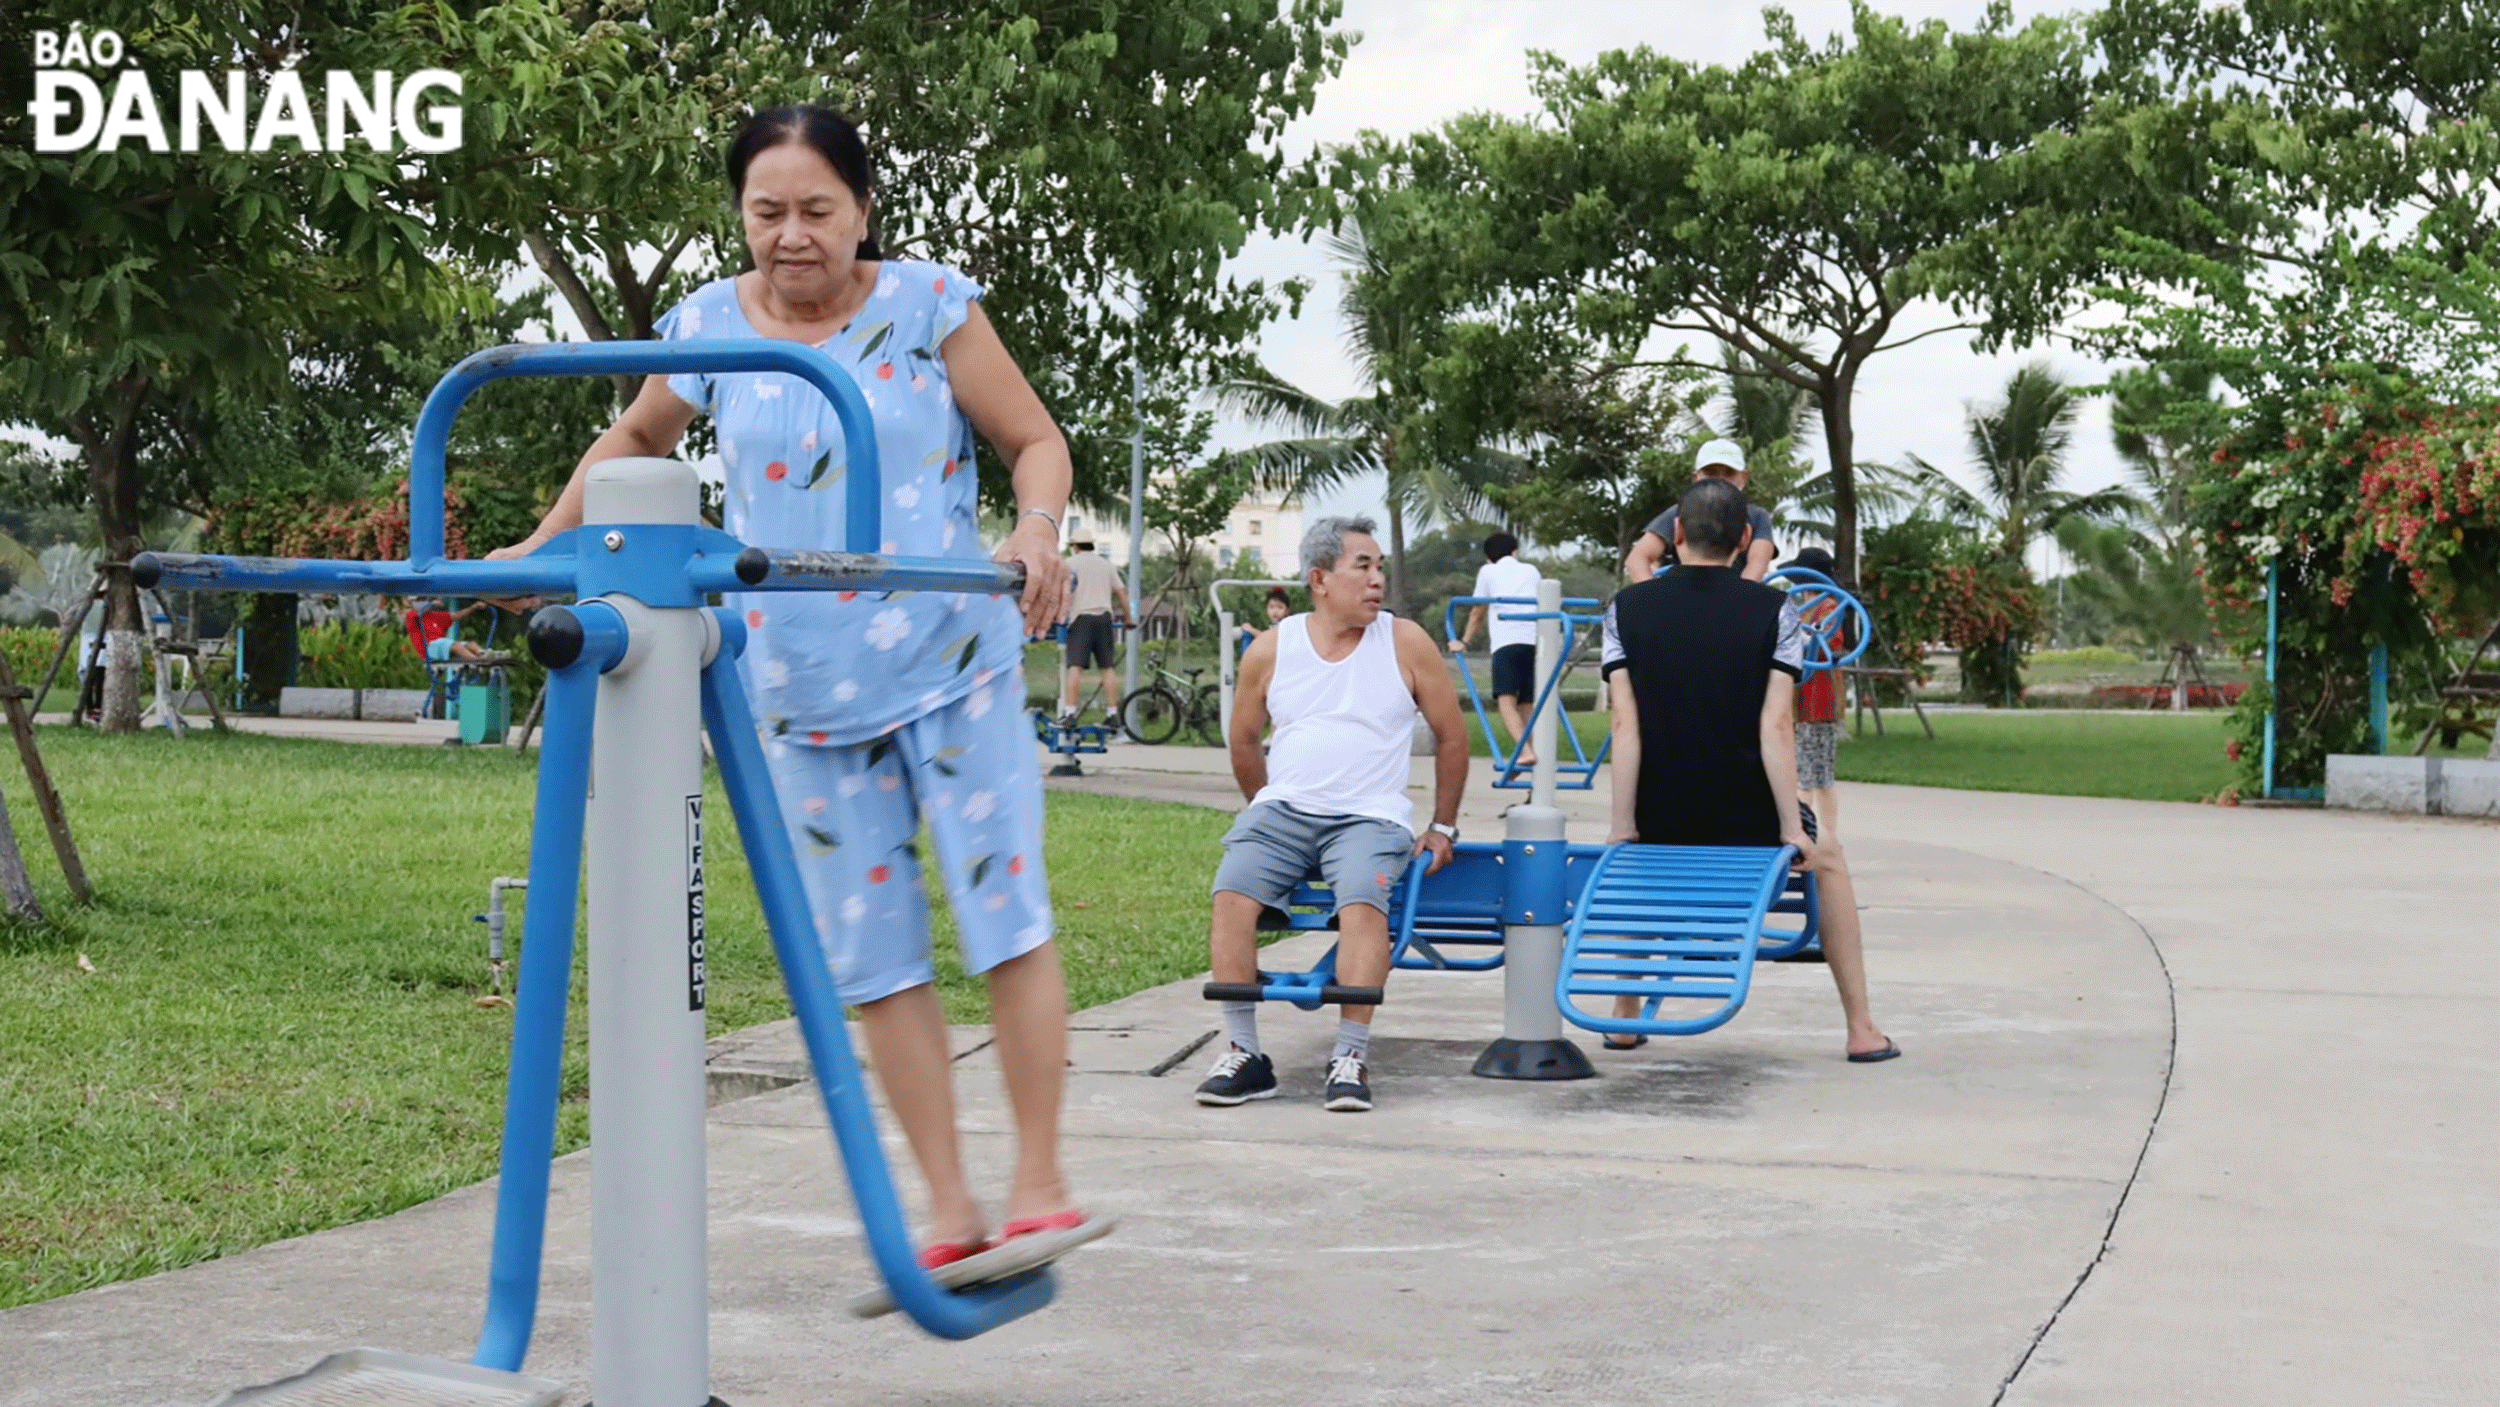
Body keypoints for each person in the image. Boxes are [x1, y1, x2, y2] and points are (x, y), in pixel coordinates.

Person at [490, 105, 1092, 1266]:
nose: (792, 235)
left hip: (951, 662)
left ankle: (1038, 1177)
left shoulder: (926, 303)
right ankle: (950, 1204)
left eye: (817, 210)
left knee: (1002, 920)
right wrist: (538, 551)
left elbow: (1034, 439)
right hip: (801, 699)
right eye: (767, 212)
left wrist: (1036, 531)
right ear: (741, 218)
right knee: (873, 956)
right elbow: (633, 441)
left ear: (862, 210)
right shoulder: (710, 323)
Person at [1600, 478, 1896, 1063]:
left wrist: (1622, 826)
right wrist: (1792, 826)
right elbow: (1776, 726)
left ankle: (1624, 1017)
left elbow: (1625, 728)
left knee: (1639, 864)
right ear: (1743, 540)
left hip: (1661, 814)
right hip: (1749, 819)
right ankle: (1861, 1028)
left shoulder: (1625, 608)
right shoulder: (1774, 609)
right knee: (1829, 857)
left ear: (1676, 534)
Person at [1196, 516, 1470, 1112]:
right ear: (1319, 579)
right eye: (1362, 567)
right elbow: (1243, 739)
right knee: (1231, 894)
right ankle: (1245, 1053)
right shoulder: (1271, 648)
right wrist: (1266, 813)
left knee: (1361, 902)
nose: (1378, 581)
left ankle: (1350, 1055)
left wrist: (1442, 826)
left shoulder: (1405, 642)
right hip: (1284, 810)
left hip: (1370, 818)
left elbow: (1453, 736)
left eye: (1380, 568)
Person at [1446, 531, 1543, 771]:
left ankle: (1525, 751)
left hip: (1506, 641)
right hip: (1533, 641)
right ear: (1515, 551)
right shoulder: (1531, 571)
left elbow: (1478, 609)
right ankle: (1529, 758)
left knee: (1506, 701)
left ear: (1489, 557)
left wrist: (1464, 642)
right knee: (1526, 703)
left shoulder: (1488, 571)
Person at [1622, 438, 1778, 583]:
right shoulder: (1678, 512)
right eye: (1711, 473)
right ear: (1697, 476)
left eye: (1729, 473)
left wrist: (1734, 601)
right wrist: (1656, 601)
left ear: (1743, 477)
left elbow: (1758, 564)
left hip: (1736, 601)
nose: (1719, 479)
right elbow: (1637, 559)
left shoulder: (1756, 516)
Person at [1780, 547, 1849, 835]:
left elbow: (1833, 643)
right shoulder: (1804, 608)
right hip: (1803, 700)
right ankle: (1823, 838)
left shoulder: (1827, 606)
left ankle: (1815, 837)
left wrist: (1810, 639)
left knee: (1812, 779)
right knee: (1812, 777)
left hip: (1817, 702)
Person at [1058, 535, 1131, 723]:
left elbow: (1062, 592)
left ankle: (1070, 713)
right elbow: (1122, 592)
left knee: (1075, 667)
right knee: (1107, 668)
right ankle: (1113, 713)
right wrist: (1129, 618)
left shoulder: (1069, 563)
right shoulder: (1106, 564)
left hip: (1081, 619)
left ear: (1075, 546)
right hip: (1104, 619)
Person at [1234, 585, 1292, 654]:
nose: (1275, 611)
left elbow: (1269, 639)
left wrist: (1251, 629)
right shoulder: (1274, 624)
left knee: (1248, 636)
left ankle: (1246, 660)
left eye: (1280, 607)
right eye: (1271, 607)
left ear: (1287, 611)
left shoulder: (1285, 625)